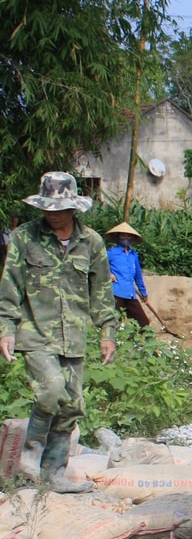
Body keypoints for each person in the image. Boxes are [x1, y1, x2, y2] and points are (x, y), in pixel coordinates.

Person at [0, 172, 117, 494]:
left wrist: (108, 332)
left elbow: (102, 292)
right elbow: (10, 287)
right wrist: (5, 329)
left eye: (59, 208)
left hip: (75, 337)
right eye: (47, 208)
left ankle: (54, 475)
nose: (52, 214)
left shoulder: (91, 242)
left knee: (71, 406)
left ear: (73, 208)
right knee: (51, 391)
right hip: (34, 332)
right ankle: (31, 452)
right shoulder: (25, 238)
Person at [105, 222, 150, 328]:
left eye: (128, 235)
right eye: (123, 235)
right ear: (118, 237)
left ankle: (136, 343)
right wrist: (109, 274)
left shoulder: (133, 255)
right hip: (115, 293)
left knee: (144, 322)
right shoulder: (111, 253)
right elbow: (98, 266)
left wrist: (143, 293)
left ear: (132, 238)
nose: (125, 238)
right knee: (115, 323)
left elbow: (138, 275)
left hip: (130, 293)